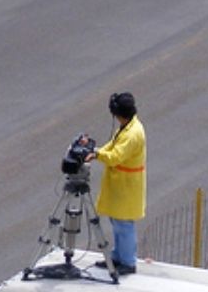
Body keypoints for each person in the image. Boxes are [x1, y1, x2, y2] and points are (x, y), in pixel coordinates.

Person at [88, 91, 147, 276]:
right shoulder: (127, 127)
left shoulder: (132, 134)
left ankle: (128, 261)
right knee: (116, 220)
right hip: (120, 183)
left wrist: (97, 155)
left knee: (124, 224)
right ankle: (118, 257)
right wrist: (95, 150)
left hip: (127, 186)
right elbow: (112, 145)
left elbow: (115, 156)